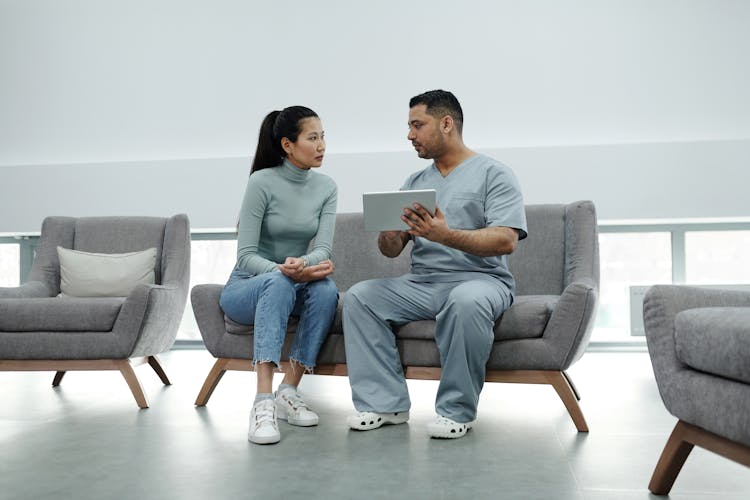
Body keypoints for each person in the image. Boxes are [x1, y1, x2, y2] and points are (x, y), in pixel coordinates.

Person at [343, 90, 527, 439]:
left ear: (446, 124)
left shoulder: (495, 174)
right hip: (423, 283)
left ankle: (456, 411)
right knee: (360, 296)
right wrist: (391, 235)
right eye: (409, 127)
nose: (410, 135)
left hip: (482, 280)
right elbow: (390, 250)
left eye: (417, 125)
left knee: (465, 301)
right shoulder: (414, 183)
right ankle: (385, 404)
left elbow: (506, 240)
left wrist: (445, 235)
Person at [220, 106, 338, 445]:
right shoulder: (261, 183)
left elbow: (323, 249)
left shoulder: (326, 187)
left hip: (292, 279)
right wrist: (284, 271)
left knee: (327, 290)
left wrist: (303, 267)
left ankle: (288, 391)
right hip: (246, 287)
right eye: (312, 138)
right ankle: (262, 402)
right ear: (288, 144)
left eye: (323, 136)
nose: (322, 146)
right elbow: (245, 257)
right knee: (277, 281)